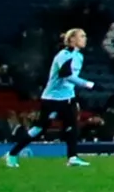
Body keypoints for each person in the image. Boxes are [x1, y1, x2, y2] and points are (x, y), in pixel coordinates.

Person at [5, 27, 96, 168]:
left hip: (68, 98)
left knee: (72, 126)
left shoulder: (79, 56)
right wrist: (87, 84)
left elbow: (71, 79)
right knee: (39, 128)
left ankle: (72, 157)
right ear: (72, 39)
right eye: (82, 36)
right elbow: (66, 74)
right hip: (52, 99)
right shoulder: (63, 55)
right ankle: (12, 154)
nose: (85, 39)